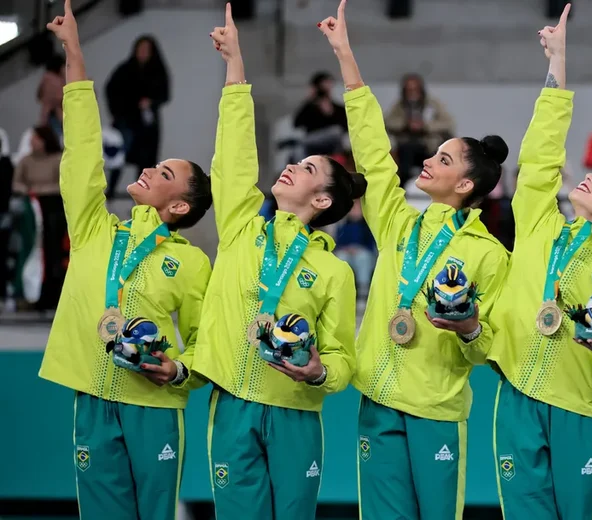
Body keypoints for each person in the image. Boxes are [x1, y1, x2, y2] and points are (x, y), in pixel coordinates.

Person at [318, 3, 510, 518]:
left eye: (443, 160)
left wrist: (469, 328)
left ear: (466, 185)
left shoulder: (490, 256)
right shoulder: (402, 226)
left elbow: (489, 347)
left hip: (436, 411)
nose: (427, 161)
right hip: (377, 403)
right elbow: (374, 157)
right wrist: (345, 57)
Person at [36, 2, 214, 519]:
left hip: (154, 407)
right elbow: (83, 154)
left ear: (178, 206)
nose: (149, 170)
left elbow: (208, 343)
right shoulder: (95, 228)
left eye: (163, 173)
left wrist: (180, 369)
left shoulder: (193, 263)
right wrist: (74, 53)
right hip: (92, 396)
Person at [193, 5, 362, 520]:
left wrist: (318, 373)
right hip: (231, 406)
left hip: (294, 412)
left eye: (308, 168)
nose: (291, 166)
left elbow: (341, 359)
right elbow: (235, 154)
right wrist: (235, 67)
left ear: (322, 201)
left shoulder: (335, 271)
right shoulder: (244, 228)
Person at [489, 6, 592, 519]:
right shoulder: (540, 224)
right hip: (516, 400)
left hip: (579, 410)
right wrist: (557, 67)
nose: (590, 177)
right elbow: (539, 159)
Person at [105, 34, 170, 199]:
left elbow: (165, 94)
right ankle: (111, 190)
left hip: (147, 125)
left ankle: (141, 194)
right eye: (140, 49)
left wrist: (151, 102)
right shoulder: (125, 69)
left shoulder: (157, 71)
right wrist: (120, 110)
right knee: (118, 154)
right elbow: (111, 90)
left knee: (146, 159)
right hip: (125, 121)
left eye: (146, 50)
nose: (142, 53)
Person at [11, 125, 66, 310]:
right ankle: (25, 293)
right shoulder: (26, 161)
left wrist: (39, 191)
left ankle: (52, 293)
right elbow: (17, 183)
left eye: (36, 138)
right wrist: (29, 192)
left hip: (52, 210)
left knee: (51, 252)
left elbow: (62, 184)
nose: (32, 142)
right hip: (30, 209)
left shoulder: (57, 160)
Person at [384, 73, 454, 186]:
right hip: (406, 147)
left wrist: (425, 126)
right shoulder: (400, 105)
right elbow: (388, 121)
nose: (412, 92)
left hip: (429, 147)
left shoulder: (432, 104)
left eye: (415, 89)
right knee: (401, 165)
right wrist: (406, 124)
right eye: (409, 89)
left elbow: (448, 123)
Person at [293, 71, 349, 156]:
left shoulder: (337, 108)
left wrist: (330, 113)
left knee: (336, 133)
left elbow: (344, 127)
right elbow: (296, 123)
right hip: (312, 140)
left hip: (331, 143)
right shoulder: (309, 107)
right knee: (299, 149)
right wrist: (309, 101)